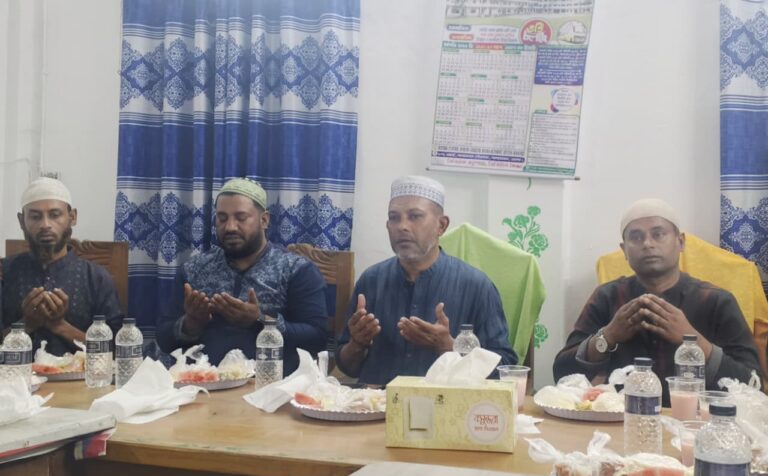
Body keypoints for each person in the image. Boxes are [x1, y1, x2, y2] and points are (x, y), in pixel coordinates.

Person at [553, 198, 762, 404]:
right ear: (624, 250)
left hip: (697, 421)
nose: (647, 244)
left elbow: (753, 386)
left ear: (681, 242)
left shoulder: (716, 301)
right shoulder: (608, 297)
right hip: (621, 418)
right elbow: (562, 375)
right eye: (636, 237)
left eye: (658, 234)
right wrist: (607, 336)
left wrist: (695, 343)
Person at [335, 175, 517, 385]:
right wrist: (357, 344)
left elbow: (505, 369)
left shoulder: (477, 286)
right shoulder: (371, 280)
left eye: (415, 216)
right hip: (376, 402)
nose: (402, 226)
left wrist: (448, 347)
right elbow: (347, 367)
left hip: (446, 402)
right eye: (394, 218)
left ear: (441, 225)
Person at [157, 178, 327, 373]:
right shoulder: (193, 270)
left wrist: (260, 320)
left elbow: (317, 339)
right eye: (222, 218)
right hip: (203, 383)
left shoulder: (296, 270)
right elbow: (164, 340)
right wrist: (191, 324)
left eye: (241, 218)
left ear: (264, 220)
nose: (230, 227)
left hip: (272, 385)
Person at [1, 177, 123, 354]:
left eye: (55, 215)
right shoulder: (5, 273)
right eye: (35, 216)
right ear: (22, 221)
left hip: (81, 373)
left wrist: (60, 326)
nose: (45, 225)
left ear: (72, 217)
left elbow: (118, 350)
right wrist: (26, 324)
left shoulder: (96, 278)